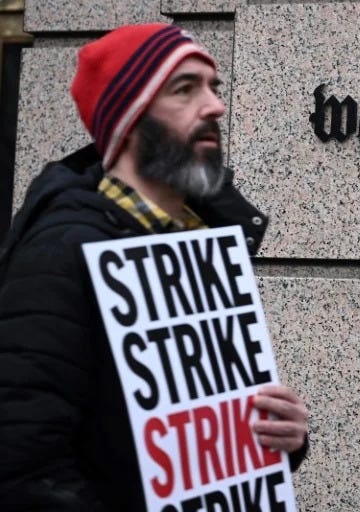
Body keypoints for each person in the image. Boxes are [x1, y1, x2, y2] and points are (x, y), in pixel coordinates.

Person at [0, 23, 309, 510]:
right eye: (184, 89)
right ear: (129, 117)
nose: (215, 106)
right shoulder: (60, 252)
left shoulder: (203, 242)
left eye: (213, 87)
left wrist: (280, 438)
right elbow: (22, 465)